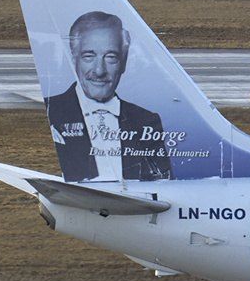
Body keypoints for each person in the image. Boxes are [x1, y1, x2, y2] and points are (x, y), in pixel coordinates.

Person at [46, 11, 173, 182]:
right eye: (89, 57)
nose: (99, 71)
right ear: (74, 58)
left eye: (111, 57)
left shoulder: (146, 121)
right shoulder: (50, 112)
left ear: (124, 61)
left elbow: (163, 183)